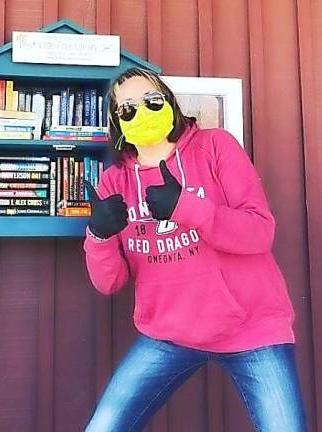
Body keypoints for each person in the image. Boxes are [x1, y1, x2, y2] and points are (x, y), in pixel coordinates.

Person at [83, 67, 307, 431]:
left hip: (251, 328)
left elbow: (259, 233)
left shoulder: (215, 146)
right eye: (127, 108)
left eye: (151, 100)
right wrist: (99, 235)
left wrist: (185, 207)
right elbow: (109, 283)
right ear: (116, 123)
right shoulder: (114, 182)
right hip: (168, 335)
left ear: (169, 103)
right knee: (103, 426)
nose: (142, 111)